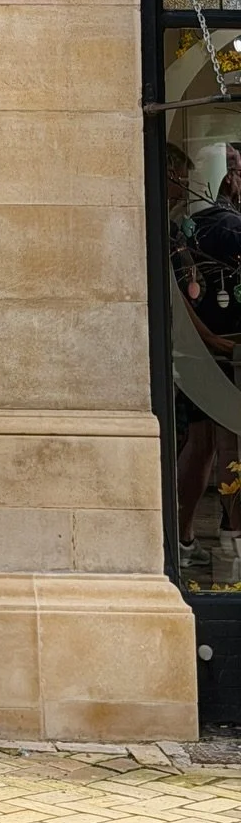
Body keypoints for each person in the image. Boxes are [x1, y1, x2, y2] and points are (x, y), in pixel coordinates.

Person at [171, 143, 241, 572]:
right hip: (225, 349)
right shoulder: (229, 226)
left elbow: (186, 297)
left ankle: (182, 535)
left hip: (199, 352)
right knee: (228, 438)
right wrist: (217, 342)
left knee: (202, 445)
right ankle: (233, 534)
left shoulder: (187, 227)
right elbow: (186, 295)